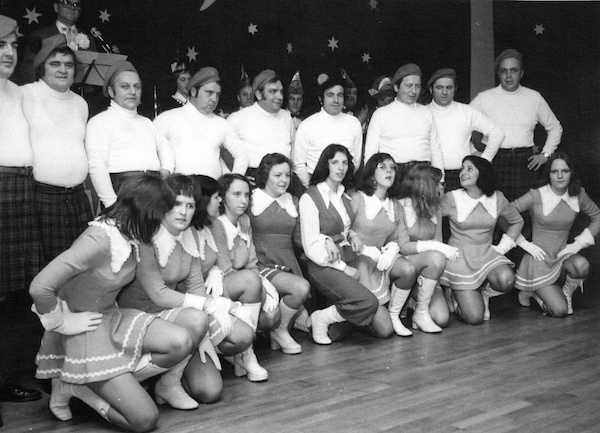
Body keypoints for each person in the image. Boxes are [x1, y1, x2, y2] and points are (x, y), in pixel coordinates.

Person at [30, 173, 208, 431]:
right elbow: (40, 286)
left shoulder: (134, 234)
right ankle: (75, 387)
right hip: (84, 330)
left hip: (110, 317)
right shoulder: (98, 238)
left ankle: (104, 382)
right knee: (145, 420)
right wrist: (62, 323)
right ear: (146, 212)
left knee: (180, 341)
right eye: (162, 212)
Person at [119, 174, 254, 407]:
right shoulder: (146, 235)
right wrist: (210, 308)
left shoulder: (189, 234)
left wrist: (202, 333)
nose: (183, 212)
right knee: (198, 319)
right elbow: (159, 294)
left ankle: (166, 382)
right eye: (176, 204)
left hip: (173, 316)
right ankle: (137, 378)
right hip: (140, 315)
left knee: (210, 390)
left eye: (190, 206)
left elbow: (195, 287)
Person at [0, 13, 43, 407]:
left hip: (22, 190)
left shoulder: (17, 92)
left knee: (16, 294)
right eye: (1, 45)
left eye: (14, 45)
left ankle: (10, 377)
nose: (9, 52)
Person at [299, 144, 382, 344]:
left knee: (340, 333)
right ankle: (319, 318)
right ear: (325, 165)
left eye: (344, 163)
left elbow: (341, 227)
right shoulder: (310, 197)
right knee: (368, 302)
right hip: (324, 265)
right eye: (335, 162)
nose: (341, 167)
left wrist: (352, 234)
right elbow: (311, 246)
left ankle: (322, 319)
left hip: (347, 257)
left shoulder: (343, 194)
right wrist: (344, 268)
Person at [21, 33, 92, 264]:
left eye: (69, 65)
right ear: (42, 67)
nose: (63, 70)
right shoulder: (25, 95)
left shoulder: (81, 103)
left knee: (79, 268)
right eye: (55, 64)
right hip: (41, 199)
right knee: (47, 271)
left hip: (78, 198)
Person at [512, 152, 600, 316]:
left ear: (571, 173)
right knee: (559, 311)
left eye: (565, 171)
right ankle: (531, 291)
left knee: (582, 266)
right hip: (538, 259)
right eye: (554, 171)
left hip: (562, 255)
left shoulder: (579, 194)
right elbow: (506, 214)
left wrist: (577, 244)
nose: (560, 176)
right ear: (549, 174)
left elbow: (597, 216)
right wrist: (524, 244)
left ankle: (566, 292)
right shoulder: (536, 195)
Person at [439, 156, 523, 324]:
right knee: (475, 318)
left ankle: (484, 294)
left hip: (486, 254)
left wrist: (502, 248)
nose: (463, 173)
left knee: (507, 280)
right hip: (459, 259)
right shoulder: (451, 198)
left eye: (469, 169)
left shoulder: (497, 198)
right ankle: (453, 293)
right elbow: (428, 219)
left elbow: (517, 221)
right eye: (462, 169)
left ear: (482, 174)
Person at [470, 49, 563, 202]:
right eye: (503, 71)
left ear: (521, 73)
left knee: (523, 209)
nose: (508, 75)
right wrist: (474, 152)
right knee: (493, 208)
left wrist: (545, 154)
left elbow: (555, 127)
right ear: (498, 74)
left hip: (525, 162)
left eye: (513, 70)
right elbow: (461, 126)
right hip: (494, 160)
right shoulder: (484, 98)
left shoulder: (534, 97)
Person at [85, 60, 175, 209]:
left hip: (153, 192)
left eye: (137, 86)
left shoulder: (147, 122)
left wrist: (166, 171)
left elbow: (165, 147)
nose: (133, 92)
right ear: (111, 91)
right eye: (125, 86)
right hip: (122, 193)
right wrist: (111, 204)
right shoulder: (99, 122)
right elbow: (97, 165)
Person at [211, 174, 274, 381]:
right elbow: (225, 268)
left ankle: (241, 355)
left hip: (241, 283)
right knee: (251, 281)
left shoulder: (244, 220)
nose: (243, 200)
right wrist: (253, 283)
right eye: (236, 194)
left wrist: (262, 285)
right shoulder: (217, 224)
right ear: (223, 197)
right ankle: (247, 354)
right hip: (218, 286)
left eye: (246, 195)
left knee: (273, 314)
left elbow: (252, 263)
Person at [349, 154, 420, 337]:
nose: (389, 171)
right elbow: (341, 229)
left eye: (392, 167)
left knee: (408, 269)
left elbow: (398, 239)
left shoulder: (395, 206)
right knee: (384, 330)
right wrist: (358, 241)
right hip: (355, 263)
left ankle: (394, 314)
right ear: (371, 173)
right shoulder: (357, 198)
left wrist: (393, 249)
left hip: (379, 263)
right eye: (382, 166)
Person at [249, 153, 311, 354]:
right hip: (260, 263)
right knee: (300, 288)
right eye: (277, 175)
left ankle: (278, 332)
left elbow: (299, 239)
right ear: (265, 176)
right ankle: (279, 330)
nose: (284, 180)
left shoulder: (293, 200)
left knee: (299, 300)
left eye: (287, 175)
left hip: (287, 263)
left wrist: (325, 241)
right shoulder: (251, 199)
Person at [153, 67, 249, 180]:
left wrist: (234, 182)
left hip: (213, 188)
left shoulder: (221, 123)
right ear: (194, 91)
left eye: (217, 94)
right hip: (178, 188)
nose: (214, 99)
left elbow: (242, 153)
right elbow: (151, 152)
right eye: (209, 93)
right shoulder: (167, 119)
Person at [396, 164, 460, 332]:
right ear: (423, 184)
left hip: (426, 274)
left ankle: (419, 309)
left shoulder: (435, 208)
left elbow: (438, 244)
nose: (441, 187)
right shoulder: (400, 206)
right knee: (436, 256)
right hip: (404, 268)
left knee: (441, 318)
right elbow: (403, 247)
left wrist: (436, 247)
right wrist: (433, 245)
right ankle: (415, 306)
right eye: (437, 183)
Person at [426, 68, 504, 192]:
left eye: (449, 88)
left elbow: (497, 133)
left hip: (462, 176)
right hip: (430, 176)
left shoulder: (467, 112)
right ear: (431, 90)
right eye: (439, 88)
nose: (444, 92)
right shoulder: (423, 113)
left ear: (455, 89)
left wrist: (484, 161)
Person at [365, 63, 444, 183]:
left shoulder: (426, 113)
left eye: (417, 86)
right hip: (393, 175)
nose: (413, 91)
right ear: (396, 87)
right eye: (409, 86)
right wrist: (371, 181)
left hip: (423, 174)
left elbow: (435, 149)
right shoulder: (381, 114)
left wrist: (441, 181)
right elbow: (371, 152)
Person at [293, 71, 363, 192]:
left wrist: (342, 185)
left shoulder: (354, 123)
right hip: (316, 186)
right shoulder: (307, 125)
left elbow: (356, 161)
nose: (336, 100)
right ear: (321, 99)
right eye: (330, 95)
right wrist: (313, 189)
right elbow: (298, 164)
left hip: (345, 187)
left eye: (340, 95)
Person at [226, 69, 294, 180]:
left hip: (284, 178)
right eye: (273, 91)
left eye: (281, 92)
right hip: (254, 179)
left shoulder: (286, 116)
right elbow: (220, 151)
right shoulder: (238, 118)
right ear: (258, 94)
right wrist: (237, 178)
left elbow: (294, 147)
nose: (280, 97)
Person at [19, 0, 97, 84]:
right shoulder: (40, 35)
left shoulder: (89, 38)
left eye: (76, 5)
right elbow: (27, 68)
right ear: (56, 7)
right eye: (66, 3)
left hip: (83, 90)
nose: (72, 7)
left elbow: (96, 72)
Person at [285, 71, 304, 137]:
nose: (295, 102)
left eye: (299, 99)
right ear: (287, 100)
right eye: (292, 99)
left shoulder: (307, 120)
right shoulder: (279, 118)